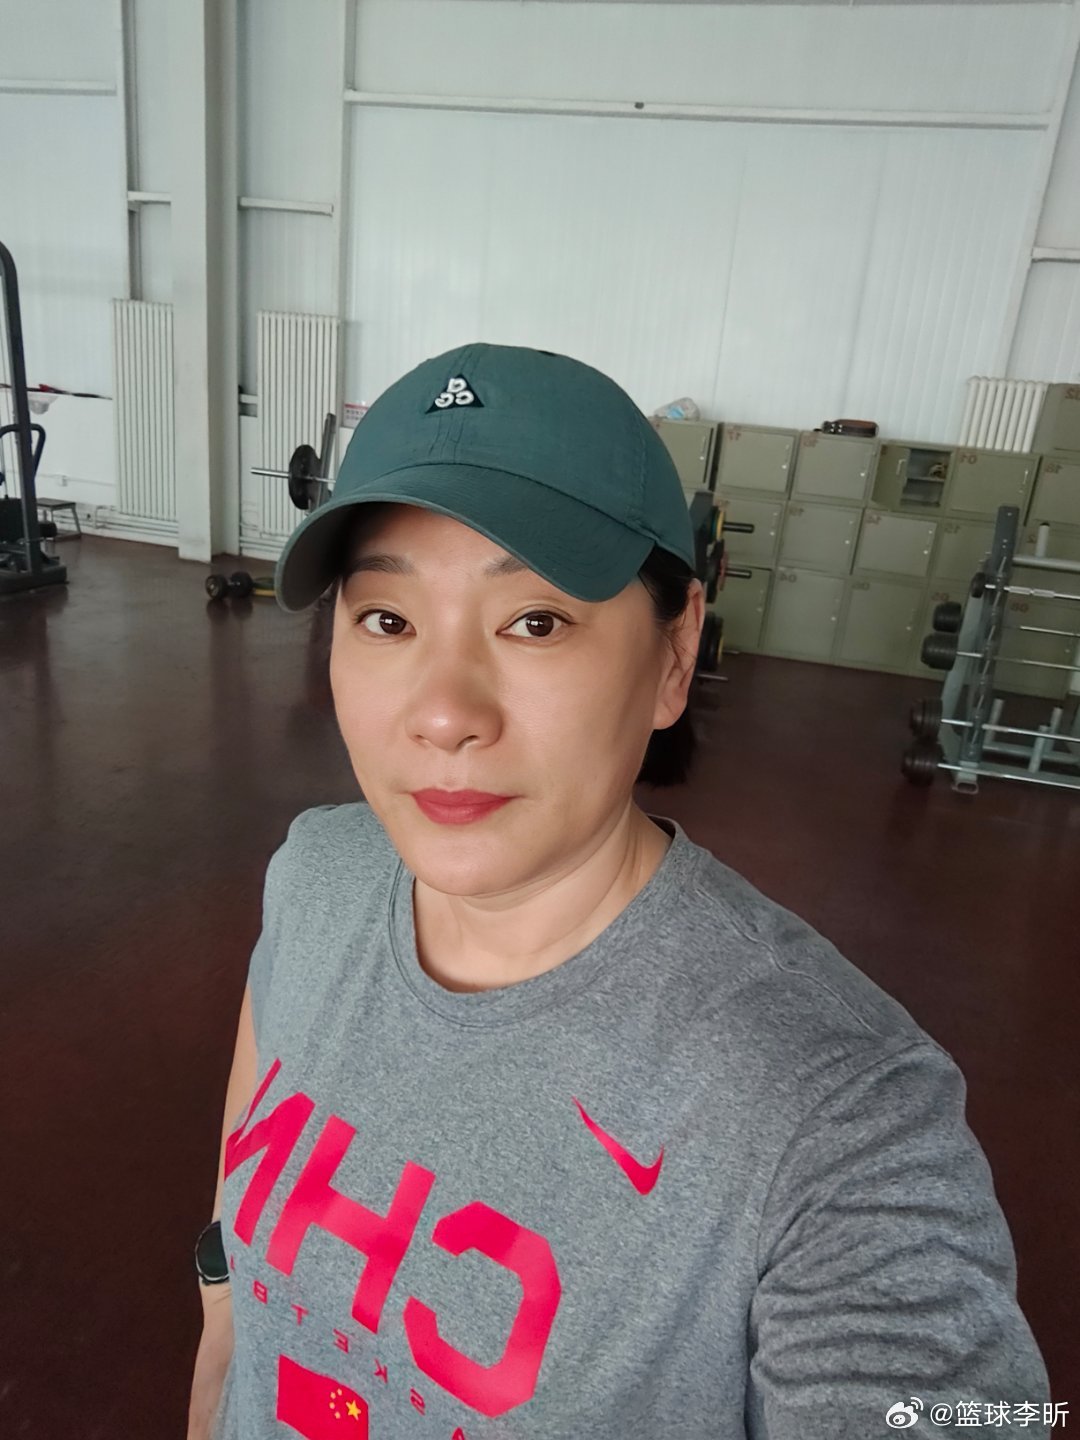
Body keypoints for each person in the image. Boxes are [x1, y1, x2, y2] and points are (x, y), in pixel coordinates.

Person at [188, 343, 1052, 1440]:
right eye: (388, 621)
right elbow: (240, 1204)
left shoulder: (840, 1116)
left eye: (534, 622)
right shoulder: (319, 873)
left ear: (675, 653)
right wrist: (215, 1368)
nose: (443, 713)